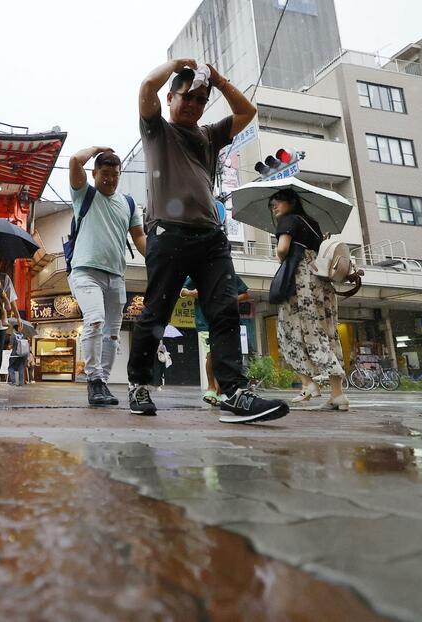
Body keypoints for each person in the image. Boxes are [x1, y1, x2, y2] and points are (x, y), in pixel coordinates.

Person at [128, 58, 289, 423]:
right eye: (187, 97)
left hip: (211, 238)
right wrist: (175, 65)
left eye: (201, 100)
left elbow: (247, 111)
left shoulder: (209, 135)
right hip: (167, 233)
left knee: (225, 312)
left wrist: (217, 79)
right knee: (156, 312)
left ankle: (233, 393)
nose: (194, 105)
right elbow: (145, 88)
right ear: (170, 98)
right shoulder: (157, 130)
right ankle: (139, 384)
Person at [68, 147, 147, 406]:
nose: (110, 179)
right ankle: (93, 381)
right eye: (104, 173)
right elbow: (74, 160)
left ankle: (103, 380)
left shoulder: (129, 203)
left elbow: (139, 236)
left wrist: (155, 260)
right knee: (94, 321)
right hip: (84, 271)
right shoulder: (84, 194)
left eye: (115, 174)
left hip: (116, 276)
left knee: (112, 333)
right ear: (94, 173)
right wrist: (99, 149)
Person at [271, 188, 348, 411]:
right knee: (324, 332)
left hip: (299, 281)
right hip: (320, 282)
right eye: (272, 205)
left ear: (292, 202)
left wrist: (281, 256)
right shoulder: (313, 224)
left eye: (278, 202)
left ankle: (309, 383)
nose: (274, 207)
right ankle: (336, 393)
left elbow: (283, 249)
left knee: (289, 332)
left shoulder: (288, 221)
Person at [181, 274, 250, 406]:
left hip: (226, 322)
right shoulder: (197, 274)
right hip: (205, 322)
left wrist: (229, 300)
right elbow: (182, 290)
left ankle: (219, 393)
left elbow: (246, 294)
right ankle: (211, 388)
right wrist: (192, 293)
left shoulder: (228, 273)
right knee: (211, 354)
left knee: (223, 356)